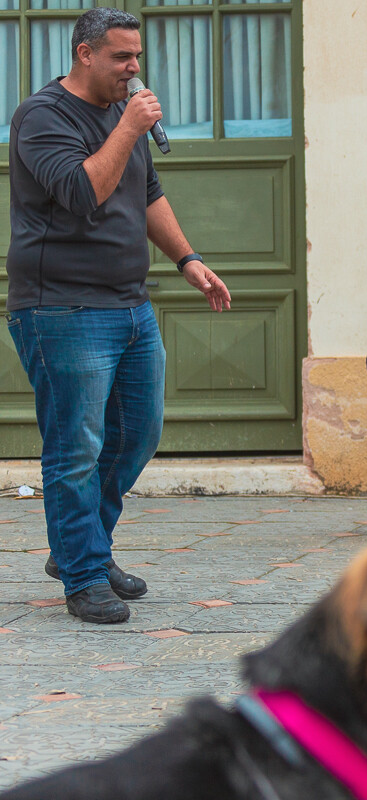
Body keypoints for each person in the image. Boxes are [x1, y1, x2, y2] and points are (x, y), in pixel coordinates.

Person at [4, 9, 231, 624]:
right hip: (62, 309)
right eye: (121, 58)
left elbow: (147, 193)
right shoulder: (41, 117)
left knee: (137, 435)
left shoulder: (118, 116)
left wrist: (187, 258)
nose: (134, 69)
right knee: (75, 448)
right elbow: (81, 193)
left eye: (137, 57)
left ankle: (82, 547)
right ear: (84, 53)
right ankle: (82, 576)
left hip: (130, 303)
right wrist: (128, 128)